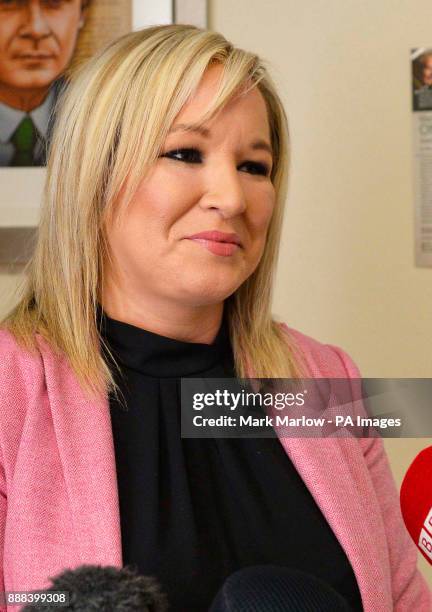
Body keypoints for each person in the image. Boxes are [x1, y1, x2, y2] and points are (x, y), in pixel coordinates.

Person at [0, 24, 430, 612]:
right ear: (94, 176)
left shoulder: (328, 381)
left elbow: (403, 599)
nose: (231, 198)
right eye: (184, 153)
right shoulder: (12, 387)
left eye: (255, 166)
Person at [0, 0, 90, 166]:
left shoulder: (99, 123)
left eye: (54, 3)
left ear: (82, 14)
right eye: (8, 2)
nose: (36, 29)